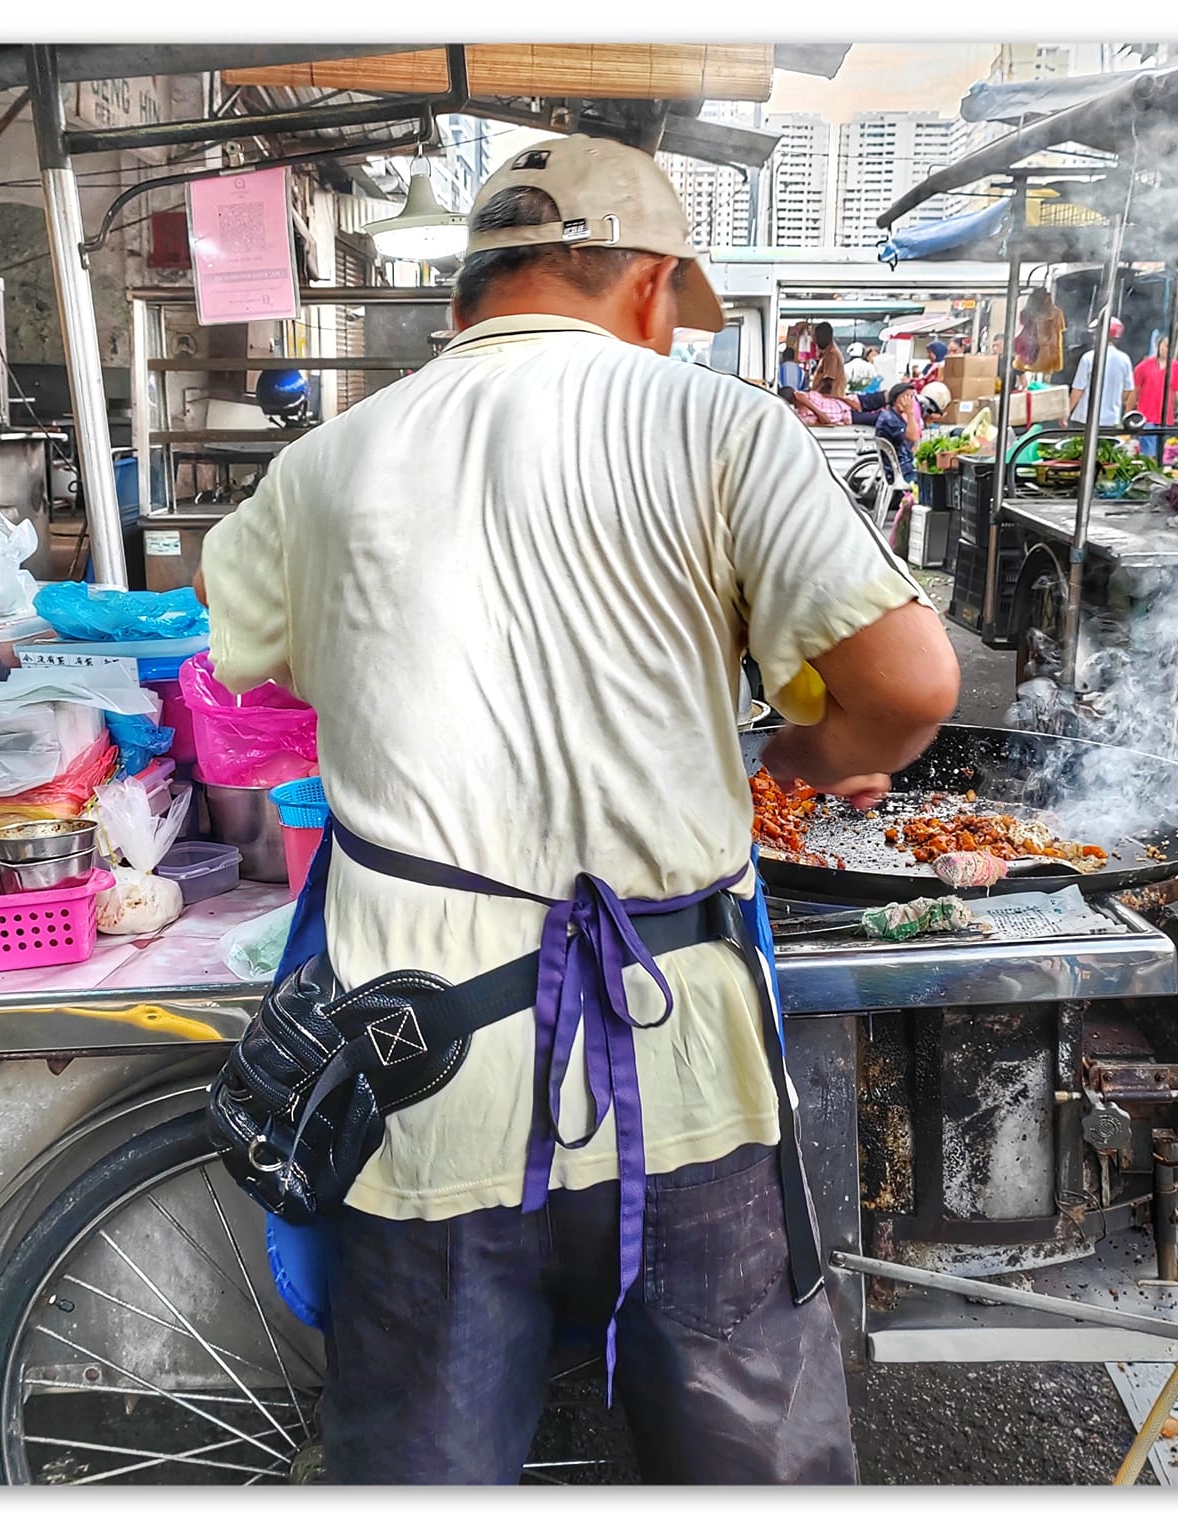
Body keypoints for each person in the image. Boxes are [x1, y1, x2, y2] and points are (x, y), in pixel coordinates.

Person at [196, 133, 959, 1486]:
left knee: (424, 1476)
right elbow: (909, 685)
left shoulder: (322, 468)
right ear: (653, 287)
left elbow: (257, 670)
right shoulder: (722, 425)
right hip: (683, 1078)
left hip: (420, 1070)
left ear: (464, 300)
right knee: (751, 1474)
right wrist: (796, 743)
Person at [1066, 319, 1136, 428]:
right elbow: (1128, 389)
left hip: (1085, 417)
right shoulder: (1125, 359)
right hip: (1111, 420)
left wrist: (1067, 412)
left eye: (1095, 334)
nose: (1094, 338)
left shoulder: (1089, 357)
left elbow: (1078, 389)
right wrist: (1114, 403)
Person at [1132, 333, 1178, 431]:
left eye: (1170, 347)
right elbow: (1135, 391)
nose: (1167, 349)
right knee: (1149, 446)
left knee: (1161, 446)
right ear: (1157, 345)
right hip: (1146, 418)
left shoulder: (1176, 367)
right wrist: (1128, 412)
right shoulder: (1143, 367)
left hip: (1165, 419)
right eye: (1165, 345)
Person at [807, 321, 847, 397]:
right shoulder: (828, 353)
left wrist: (815, 396)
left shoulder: (832, 355)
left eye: (815, 337)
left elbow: (828, 382)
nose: (814, 341)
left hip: (830, 400)